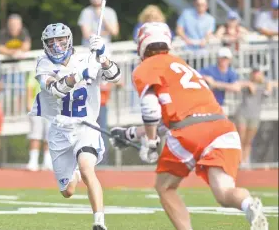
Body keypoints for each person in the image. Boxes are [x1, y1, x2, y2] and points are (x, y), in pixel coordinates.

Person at [110, 22, 268, 230]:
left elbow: (152, 110)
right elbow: (170, 117)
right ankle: (248, 205)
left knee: (165, 187)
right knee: (225, 192)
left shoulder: (146, 67)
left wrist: (150, 142)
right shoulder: (184, 66)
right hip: (222, 127)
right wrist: (131, 134)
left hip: (189, 131)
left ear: (141, 43)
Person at [29, 23, 121, 230]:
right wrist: (78, 75)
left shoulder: (88, 58)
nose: (57, 46)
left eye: (60, 40)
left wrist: (103, 57)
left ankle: (99, 222)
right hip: (60, 130)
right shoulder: (43, 63)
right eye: (51, 42)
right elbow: (55, 89)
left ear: (69, 40)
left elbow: (116, 77)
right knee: (68, 191)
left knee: (88, 170)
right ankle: (74, 174)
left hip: (86, 126)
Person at [234, 68, 278, 165]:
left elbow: (274, 85)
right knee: (241, 137)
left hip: (255, 115)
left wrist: (269, 85)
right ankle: (238, 160)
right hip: (243, 113)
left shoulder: (265, 84)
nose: (256, 75)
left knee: (248, 141)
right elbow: (237, 84)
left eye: (258, 73)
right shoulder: (247, 83)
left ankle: (244, 161)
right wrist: (249, 84)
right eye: (254, 73)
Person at [26, 72, 52, 172]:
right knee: (35, 135)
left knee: (49, 136)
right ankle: (33, 161)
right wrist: (29, 103)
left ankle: (47, 161)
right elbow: (30, 86)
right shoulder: (35, 71)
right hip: (36, 106)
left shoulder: (55, 70)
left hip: (50, 107)